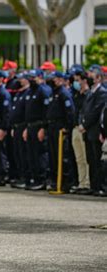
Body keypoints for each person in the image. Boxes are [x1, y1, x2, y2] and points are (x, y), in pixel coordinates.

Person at [46, 71, 75, 191]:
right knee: (53, 156)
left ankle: (64, 182)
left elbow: (70, 112)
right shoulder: (53, 93)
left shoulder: (64, 93)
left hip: (60, 127)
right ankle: (55, 181)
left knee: (62, 156)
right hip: (52, 126)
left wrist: (66, 127)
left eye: (56, 79)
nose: (54, 81)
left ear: (62, 80)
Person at [81, 65, 107, 197]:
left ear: (98, 78)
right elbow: (85, 110)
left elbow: (96, 112)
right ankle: (93, 185)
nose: (89, 77)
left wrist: (85, 125)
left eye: (91, 75)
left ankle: (100, 186)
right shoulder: (91, 91)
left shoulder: (102, 92)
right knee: (91, 159)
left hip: (95, 130)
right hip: (88, 131)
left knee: (97, 160)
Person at [23, 69, 51, 190]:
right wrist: (26, 127)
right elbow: (27, 112)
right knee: (31, 154)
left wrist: (43, 128)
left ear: (40, 77)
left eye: (33, 78)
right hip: (30, 126)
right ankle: (35, 178)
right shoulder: (30, 91)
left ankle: (42, 178)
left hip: (39, 126)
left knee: (40, 154)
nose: (31, 80)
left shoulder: (43, 91)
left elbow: (46, 112)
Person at [70, 67, 91, 195]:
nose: (75, 83)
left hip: (84, 128)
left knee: (86, 157)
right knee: (79, 158)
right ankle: (81, 182)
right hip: (75, 128)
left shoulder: (89, 95)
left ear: (84, 80)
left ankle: (87, 183)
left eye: (78, 80)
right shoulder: (77, 94)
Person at [9, 72, 30, 189]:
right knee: (17, 154)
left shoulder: (27, 92)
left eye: (22, 79)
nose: (20, 81)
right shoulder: (19, 93)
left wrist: (26, 128)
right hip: (16, 127)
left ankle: (25, 177)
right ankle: (20, 176)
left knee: (23, 154)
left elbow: (27, 113)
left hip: (23, 127)